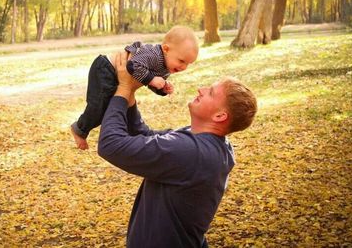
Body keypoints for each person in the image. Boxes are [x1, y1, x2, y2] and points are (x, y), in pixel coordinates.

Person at [97, 52, 258, 248]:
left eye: (211, 92)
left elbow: (111, 145)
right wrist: (130, 91)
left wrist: (122, 89)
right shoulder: (205, 142)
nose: (201, 89)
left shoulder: (192, 152)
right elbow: (146, 136)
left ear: (219, 116)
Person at [71, 26, 198, 150]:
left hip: (116, 75)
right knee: (99, 105)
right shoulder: (153, 54)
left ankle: (125, 134)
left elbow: (147, 81)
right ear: (166, 49)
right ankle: (80, 129)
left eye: (188, 64)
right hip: (105, 68)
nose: (184, 67)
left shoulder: (167, 66)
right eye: (181, 61)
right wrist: (152, 79)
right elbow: (132, 66)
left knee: (111, 108)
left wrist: (161, 89)